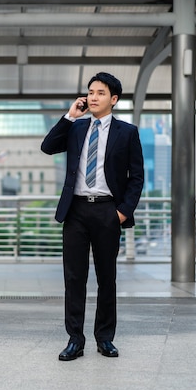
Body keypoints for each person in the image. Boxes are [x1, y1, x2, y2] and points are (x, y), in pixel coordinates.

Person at [41, 72, 144, 361]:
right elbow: (48, 147)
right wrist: (70, 116)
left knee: (106, 278)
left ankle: (105, 338)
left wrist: (122, 212)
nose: (93, 97)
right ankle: (75, 339)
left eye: (100, 92)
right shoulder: (76, 128)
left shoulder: (127, 132)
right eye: (90, 92)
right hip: (75, 210)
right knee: (74, 278)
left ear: (114, 98)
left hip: (107, 211)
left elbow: (136, 177)